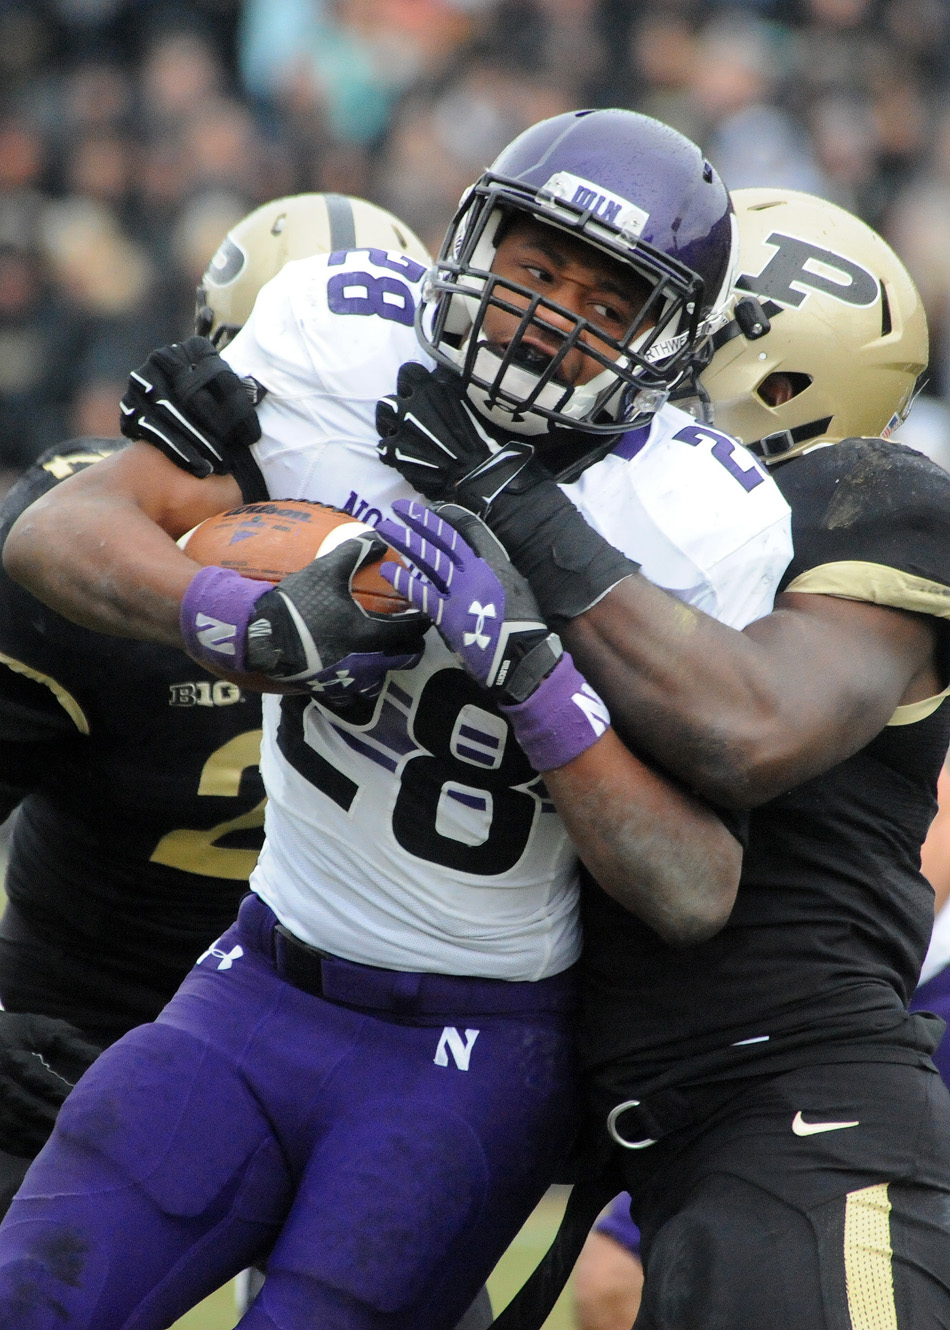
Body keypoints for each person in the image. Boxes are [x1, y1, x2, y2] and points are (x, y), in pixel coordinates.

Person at [0, 109, 792, 1328]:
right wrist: (244, 618)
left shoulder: (692, 513)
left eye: (601, 297)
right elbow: (61, 531)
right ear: (471, 239)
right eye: (533, 267)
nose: (547, 314)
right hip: (254, 973)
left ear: (662, 340)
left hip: (469, 1046)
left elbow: (691, 886)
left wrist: (531, 676)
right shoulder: (350, 343)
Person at [374, 185, 950, 1328]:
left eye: (653, 318)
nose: (607, 345)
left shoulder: (865, 498)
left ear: (773, 374)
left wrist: (514, 503)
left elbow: (744, 728)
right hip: (613, 1117)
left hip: (800, 1119)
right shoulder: (608, 500)